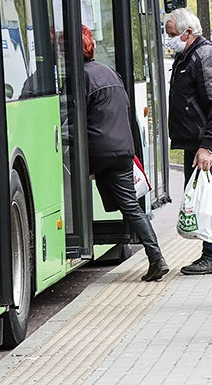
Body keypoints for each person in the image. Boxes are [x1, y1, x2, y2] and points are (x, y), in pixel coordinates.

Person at [81, 25, 168, 282]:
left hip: (97, 151)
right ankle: (156, 257)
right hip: (122, 150)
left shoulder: (80, 77)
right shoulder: (110, 72)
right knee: (131, 206)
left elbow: (71, 117)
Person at [164, 7, 212, 275]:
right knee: (202, 196)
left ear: (187, 32)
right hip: (194, 142)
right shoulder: (187, 56)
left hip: (203, 143)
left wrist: (208, 146)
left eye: (171, 34)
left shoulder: (204, 57)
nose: (168, 39)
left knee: (204, 198)